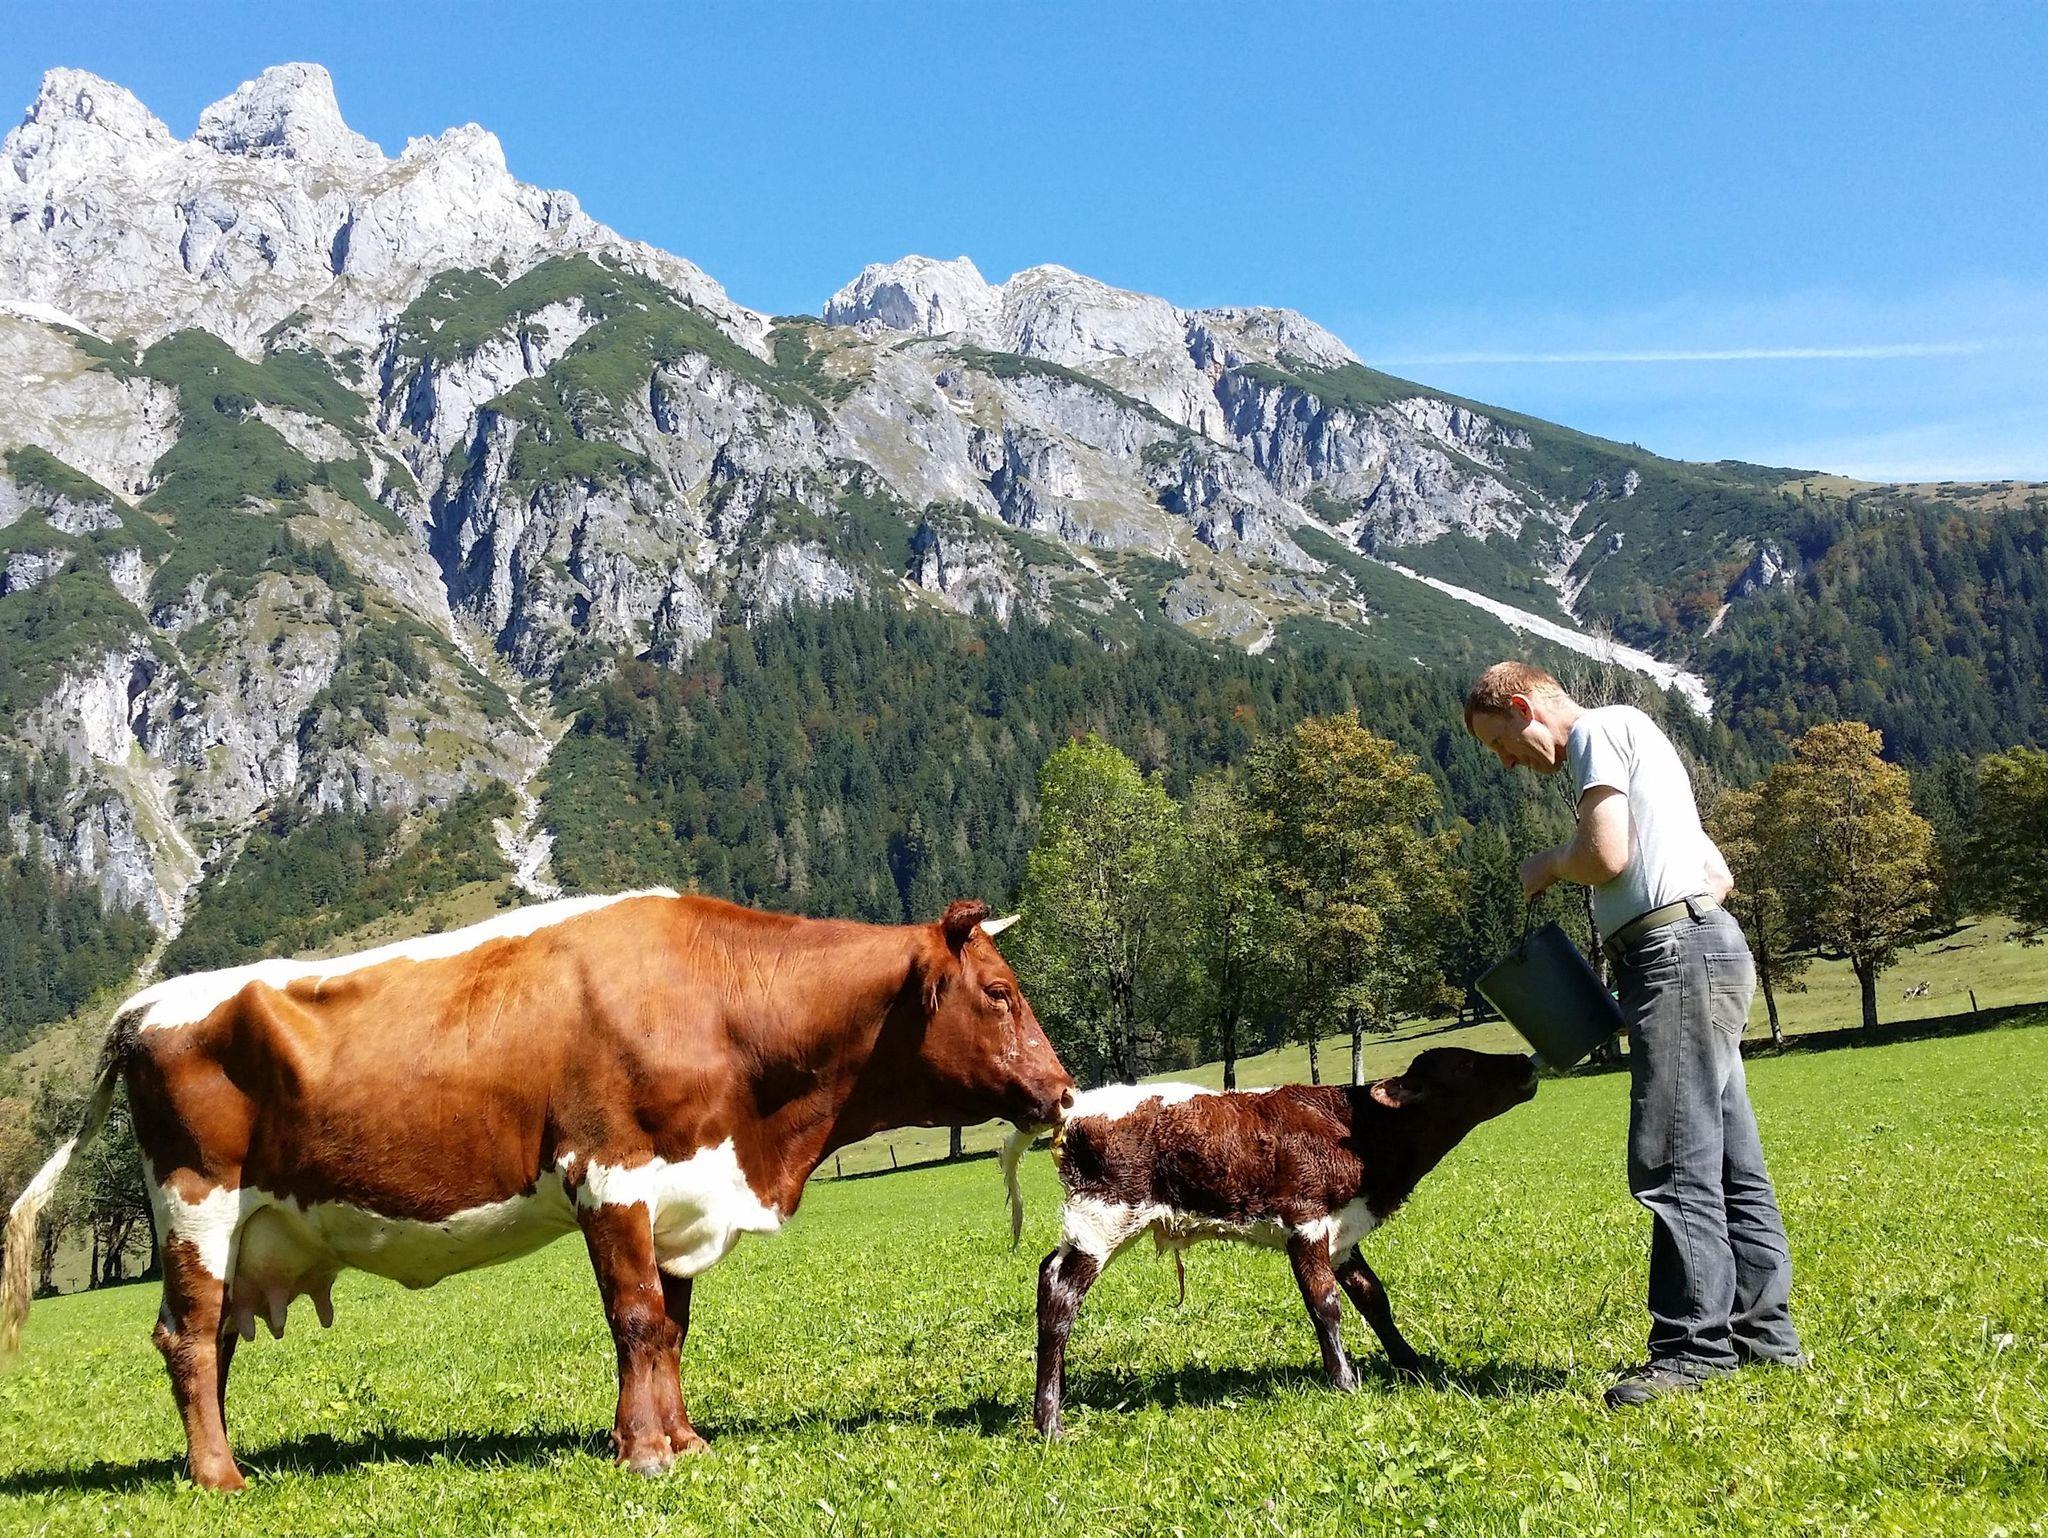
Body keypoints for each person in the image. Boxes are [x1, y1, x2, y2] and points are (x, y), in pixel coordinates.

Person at [1462, 661, 1804, 1407]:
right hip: (1703, 944)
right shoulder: (1641, 738)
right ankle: (1764, 1337)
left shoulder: (1598, 732)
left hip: (1675, 954)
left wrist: (1551, 865)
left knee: (1672, 1157)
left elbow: (1605, 855)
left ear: (1522, 706)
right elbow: (1716, 873)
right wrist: (1666, 933)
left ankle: (1692, 1352)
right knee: (1730, 1159)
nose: (1507, 763)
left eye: (1500, 744)